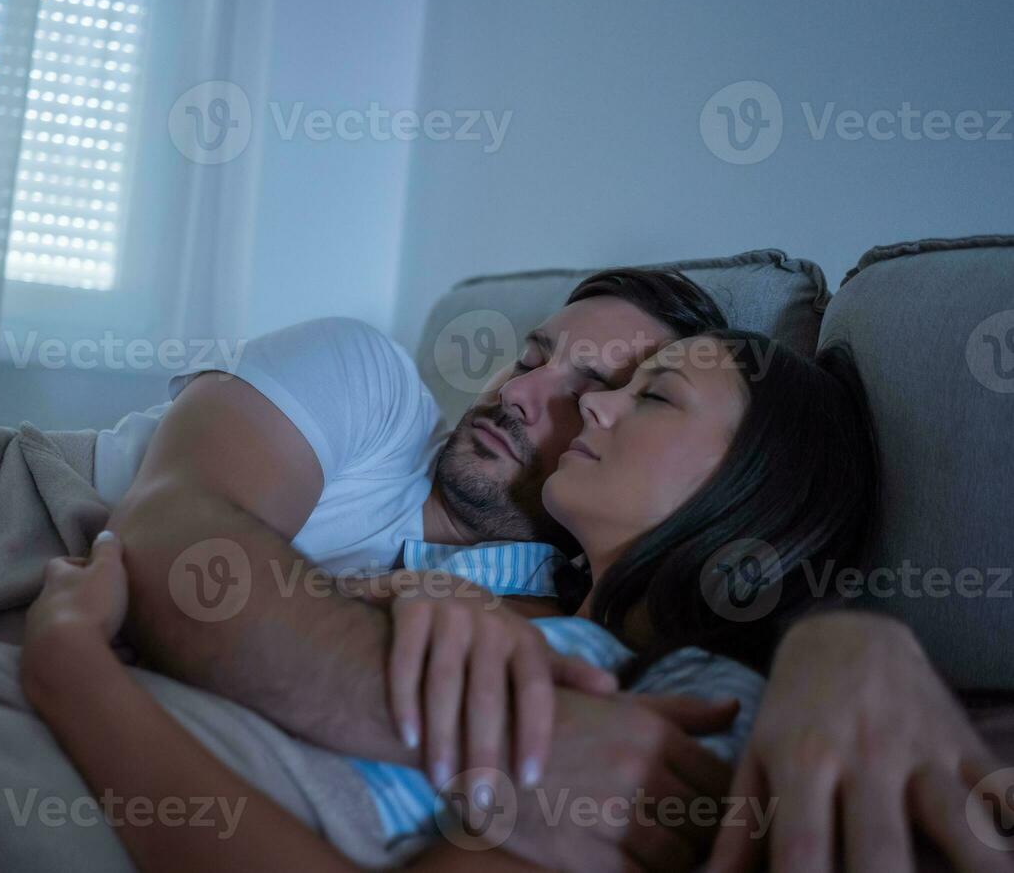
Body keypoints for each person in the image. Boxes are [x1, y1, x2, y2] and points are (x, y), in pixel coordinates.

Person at [68, 269, 1009, 871]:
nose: (530, 398)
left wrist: (69, 674)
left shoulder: (686, 701)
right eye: (530, 359)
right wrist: (414, 602)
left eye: (630, 393)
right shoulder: (469, 565)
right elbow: (183, 552)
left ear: (744, 486)